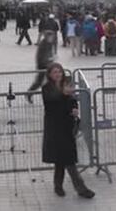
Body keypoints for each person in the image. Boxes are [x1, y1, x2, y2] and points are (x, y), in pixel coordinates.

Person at [41, 62, 94, 199]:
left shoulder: (67, 85)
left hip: (67, 127)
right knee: (68, 159)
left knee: (62, 158)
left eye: (59, 71)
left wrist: (75, 109)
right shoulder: (47, 88)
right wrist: (64, 95)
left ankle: (58, 185)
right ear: (50, 74)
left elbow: (72, 100)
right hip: (55, 128)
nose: (58, 74)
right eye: (54, 72)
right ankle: (81, 189)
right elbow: (52, 104)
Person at [27, 30, 58, 103]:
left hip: (49, 65)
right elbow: (40, 56)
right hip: (43, 66)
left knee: (52, 81)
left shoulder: (49, 43)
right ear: (47, 37)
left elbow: (50, 53)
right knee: (39, 82)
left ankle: (52, 96)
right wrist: (48, 60)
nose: (52, 38)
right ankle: (29, 93)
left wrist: (52, 59)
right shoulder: (43, 44)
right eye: (50, 37)